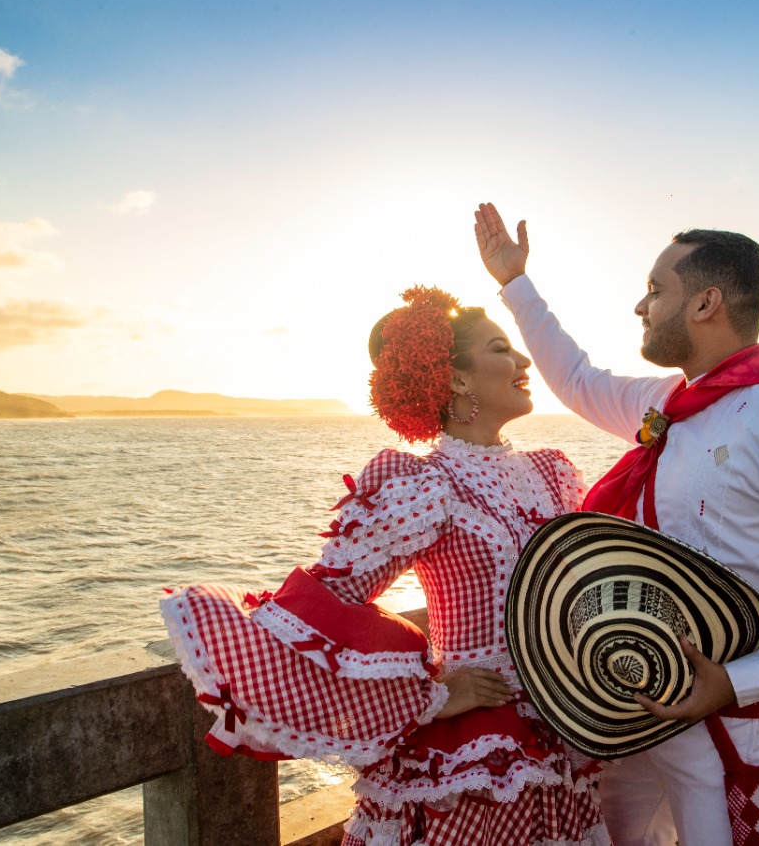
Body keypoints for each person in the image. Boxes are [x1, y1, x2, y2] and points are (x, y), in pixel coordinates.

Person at [473, 203, 759, 846]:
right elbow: (575, 377)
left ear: (705, 304)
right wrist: (515, 283)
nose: (640, 307)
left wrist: (737, 681)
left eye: (655, 289)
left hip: (748, 724)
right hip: (638, 707)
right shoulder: (664, 405)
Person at [161, 285, 610, 846]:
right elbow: (329, 603)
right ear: (457, 380)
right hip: (473, 753)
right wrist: (434, 689)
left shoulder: (552, 474)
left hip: (561, 733)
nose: (523, 362)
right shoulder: (425, 485)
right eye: (501, 348)